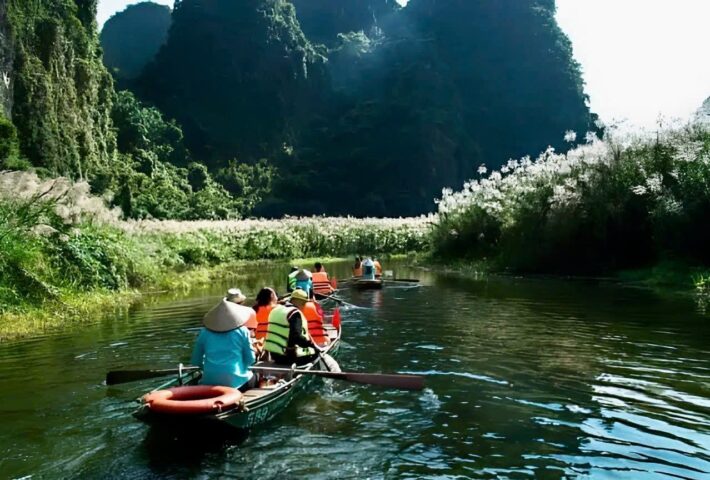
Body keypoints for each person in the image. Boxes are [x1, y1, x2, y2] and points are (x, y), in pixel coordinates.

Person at [191, 297, 257, 391]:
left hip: (208, 381)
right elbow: (251, 359)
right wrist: (242, 368)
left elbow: (196, 360)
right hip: (237, 382)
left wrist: (208, 368)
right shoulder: (243, 331)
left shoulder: (204, 332)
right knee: (256, 377)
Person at [263, 289, 321, 365]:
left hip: (274, 355)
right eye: (304, 303)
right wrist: (313, 346)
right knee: (316, 353)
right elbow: (296, 337)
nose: (304, 305)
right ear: (300, 302)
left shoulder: (276, 309)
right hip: (288, 358)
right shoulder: (294, 313)